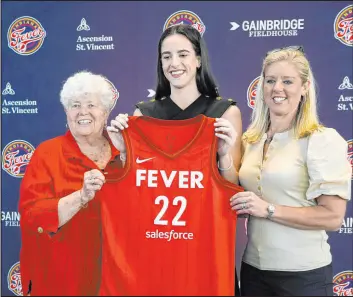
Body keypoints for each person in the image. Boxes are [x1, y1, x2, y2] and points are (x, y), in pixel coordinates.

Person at [107, 24, 243, 295]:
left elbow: (232, 188)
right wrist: (124, 152)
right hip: (154, 251)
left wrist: (225, 155)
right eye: (166, 56)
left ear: (198, 59)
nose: (174, 63)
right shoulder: (142, 114)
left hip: (205, 251)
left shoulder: (225, 112)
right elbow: (132, 191)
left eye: (183, 54)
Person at [230, 46, 351, 296]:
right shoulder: (250, 140)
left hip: (304, 278)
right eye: (271, 80)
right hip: (253, 272)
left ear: (305, 87)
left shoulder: (322, 140)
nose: (277, 88)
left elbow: (333, 217)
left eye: (288, 81)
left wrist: (269, 209)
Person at [18, 71, 122, 296]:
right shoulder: (47, 154)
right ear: (66, 112)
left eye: (91, 105)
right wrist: (81, 196)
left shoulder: (123, 155)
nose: (83, 112)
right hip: (61, 282)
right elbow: (32, 216)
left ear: (105, 112)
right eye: (75, 105)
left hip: (115, 283)